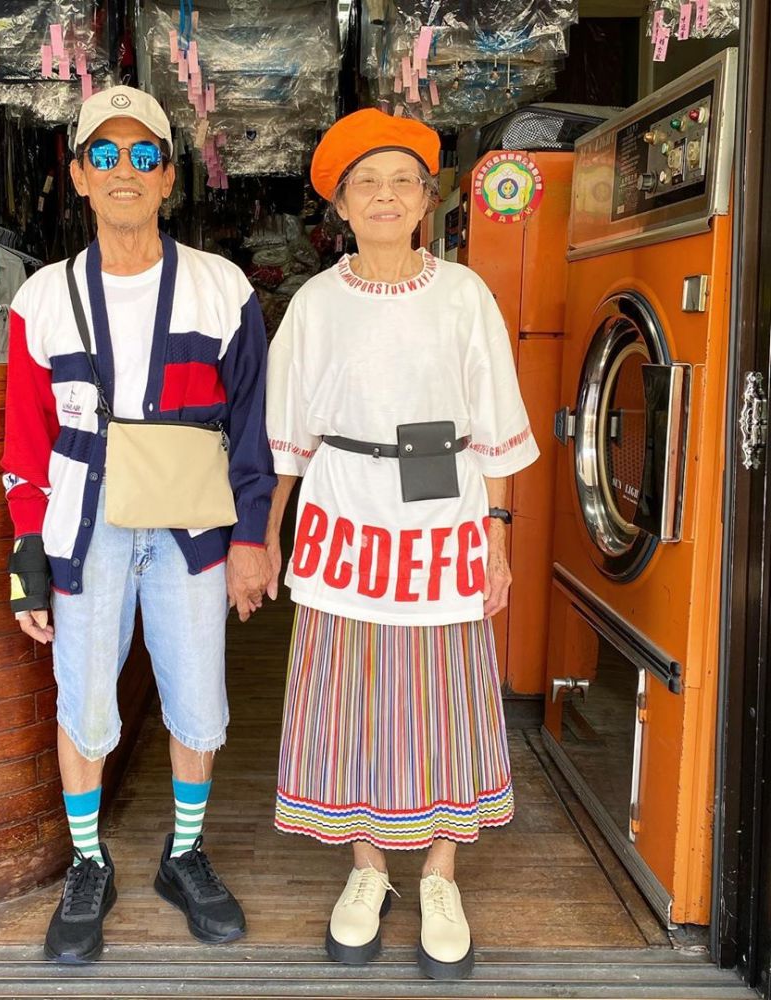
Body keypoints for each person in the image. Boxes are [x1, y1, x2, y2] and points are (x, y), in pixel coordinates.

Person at [1, 85, 275, 964]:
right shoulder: (42, 298)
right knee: (82, 697)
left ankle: (183, 854)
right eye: (106, 155)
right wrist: (26, 556)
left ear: (168, 178)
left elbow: (252, 427)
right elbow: (24, 440)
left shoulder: (222, 287)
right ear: (78, 176)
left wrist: (251, 539)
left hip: (194, 520)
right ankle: (90, 864)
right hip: (83, 525)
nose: (126, 171)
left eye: (145, 155)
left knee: (198, 695)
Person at [264, 109, 538, 981]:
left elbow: (497, 426)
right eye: (366, 184)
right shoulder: (313, 303)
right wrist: (264, 538)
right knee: (350, 698)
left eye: (403, 182)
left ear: (429, 198)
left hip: (443, 517)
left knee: (442, 701)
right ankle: (367, 871)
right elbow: (285, 439)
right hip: (345, 520)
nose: (385, 198)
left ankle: (442, 875)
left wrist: (496, 535)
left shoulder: (464, 296)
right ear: (340, 203)